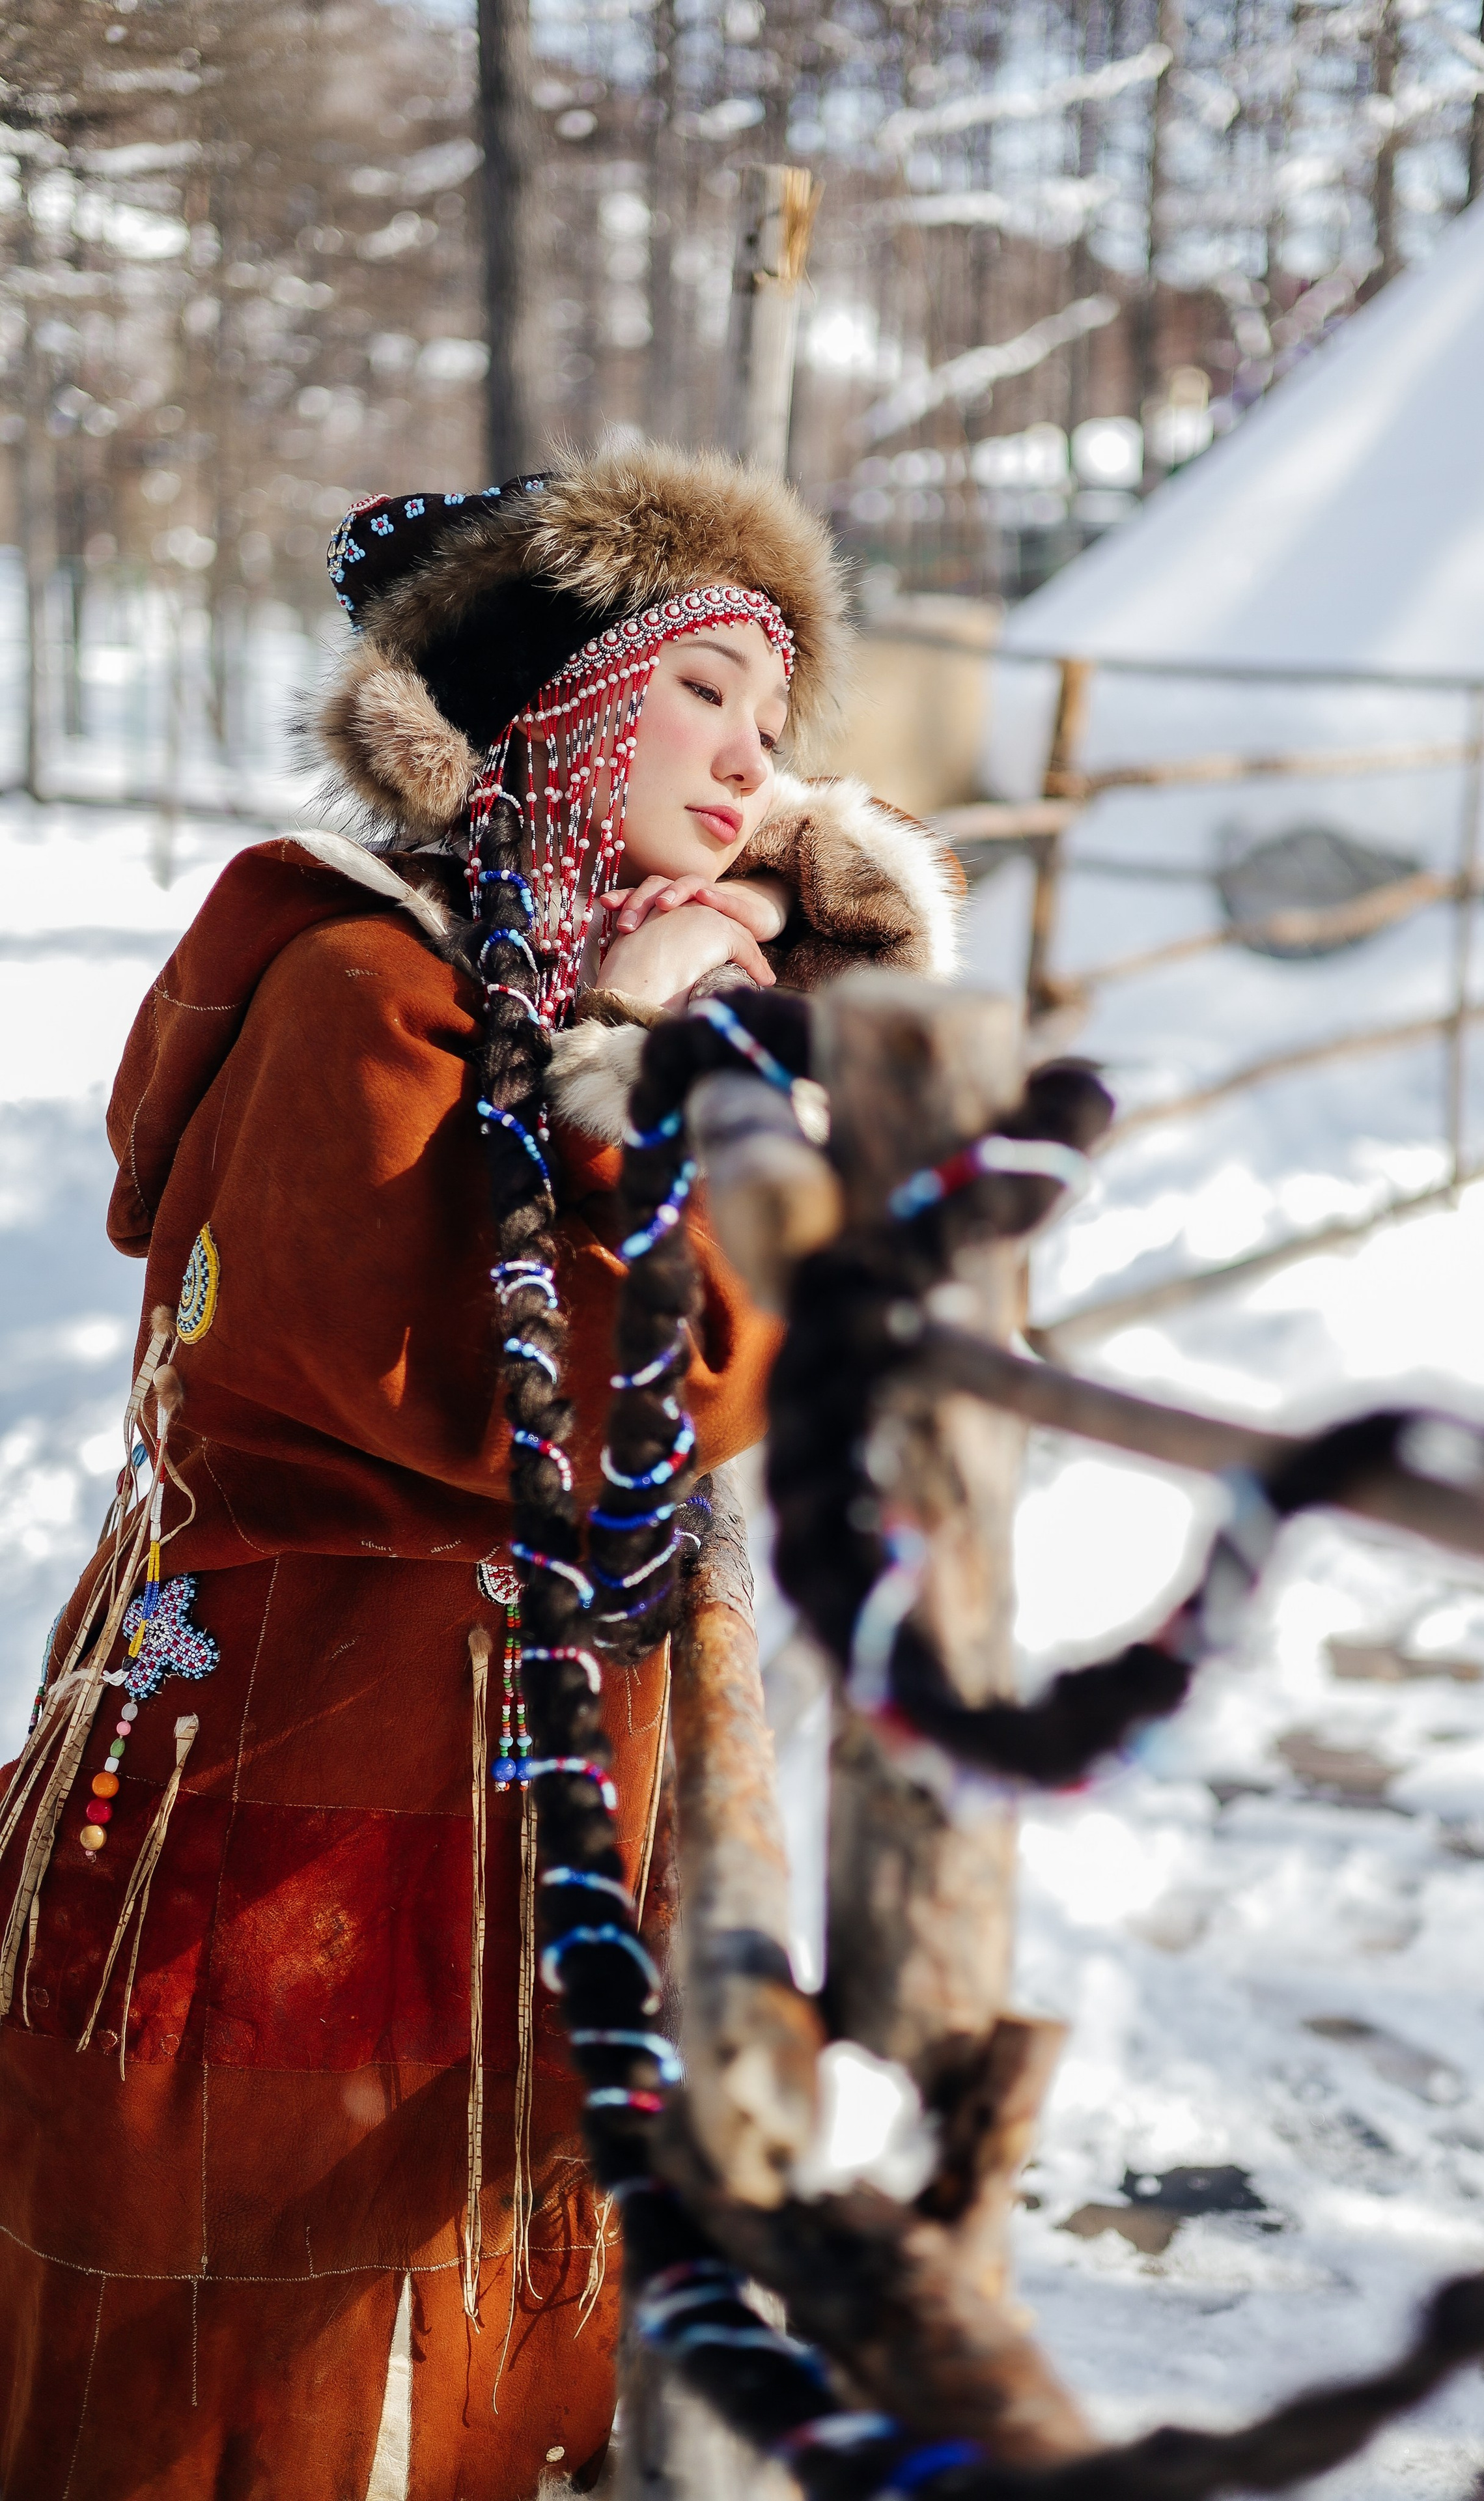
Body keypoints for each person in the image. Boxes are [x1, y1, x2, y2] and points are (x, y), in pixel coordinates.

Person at [0, 443, 962, 2498]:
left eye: (776, 719)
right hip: (310, 1777)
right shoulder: (365, 991)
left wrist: (749, 986)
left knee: (458, 2304)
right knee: (267, 2335)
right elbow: (572, 1404)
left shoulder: (568, 978)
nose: (753, 760)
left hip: (489, 1772)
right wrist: (648, 1068)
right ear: (555, 709)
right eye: (700, 691)